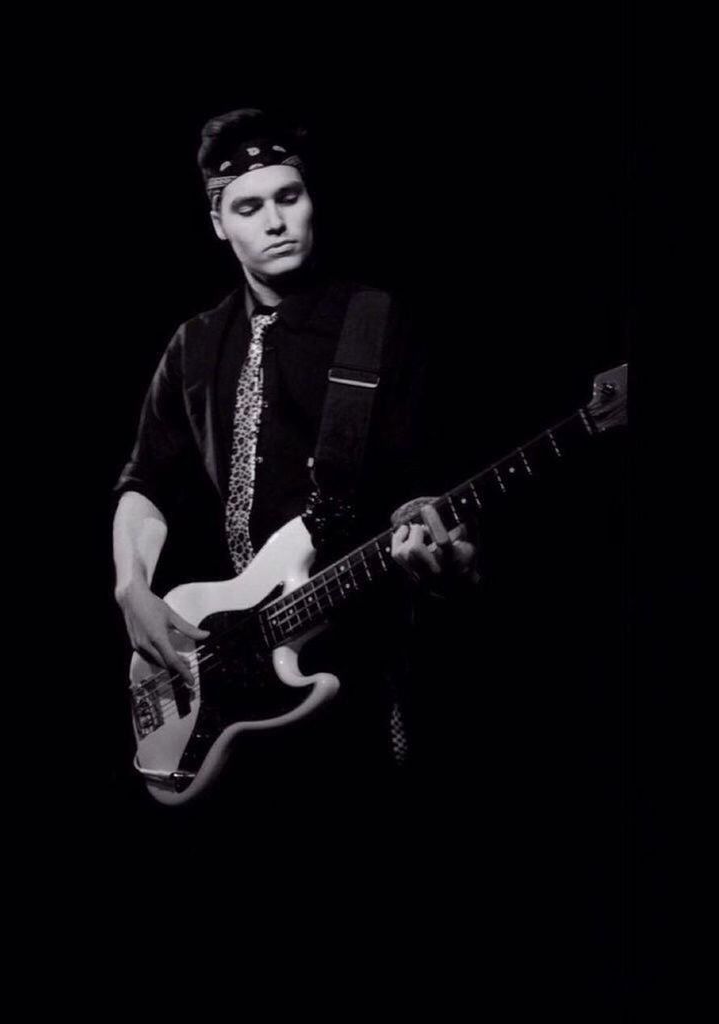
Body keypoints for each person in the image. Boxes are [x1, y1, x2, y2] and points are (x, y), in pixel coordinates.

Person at [111, 108, 478, 833]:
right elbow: (147, 481)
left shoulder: (376, 321)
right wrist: (131, 587)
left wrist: (445, 551)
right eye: (249, 206)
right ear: (219, 223)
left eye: (290, 196)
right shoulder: (194, 344)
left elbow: (433, 478)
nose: (276, 220)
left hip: (367, 660)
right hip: (241, 673)